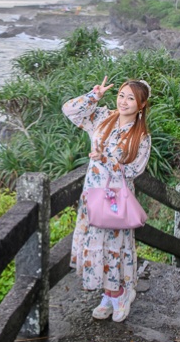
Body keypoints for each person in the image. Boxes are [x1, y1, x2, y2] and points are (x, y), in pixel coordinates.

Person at [63, 76, 152, 322]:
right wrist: (94, 95)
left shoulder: (141, 137)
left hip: (116, 197)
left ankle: (119, 293)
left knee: (113, 247)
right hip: (92, 193)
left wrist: (107, 160)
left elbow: (135, 170)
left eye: (131, 98)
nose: (124, 101)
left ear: (141, 104)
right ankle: (109, 294)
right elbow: (69, 110)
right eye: (121, 95)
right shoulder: (102, 118)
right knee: (96, 243)